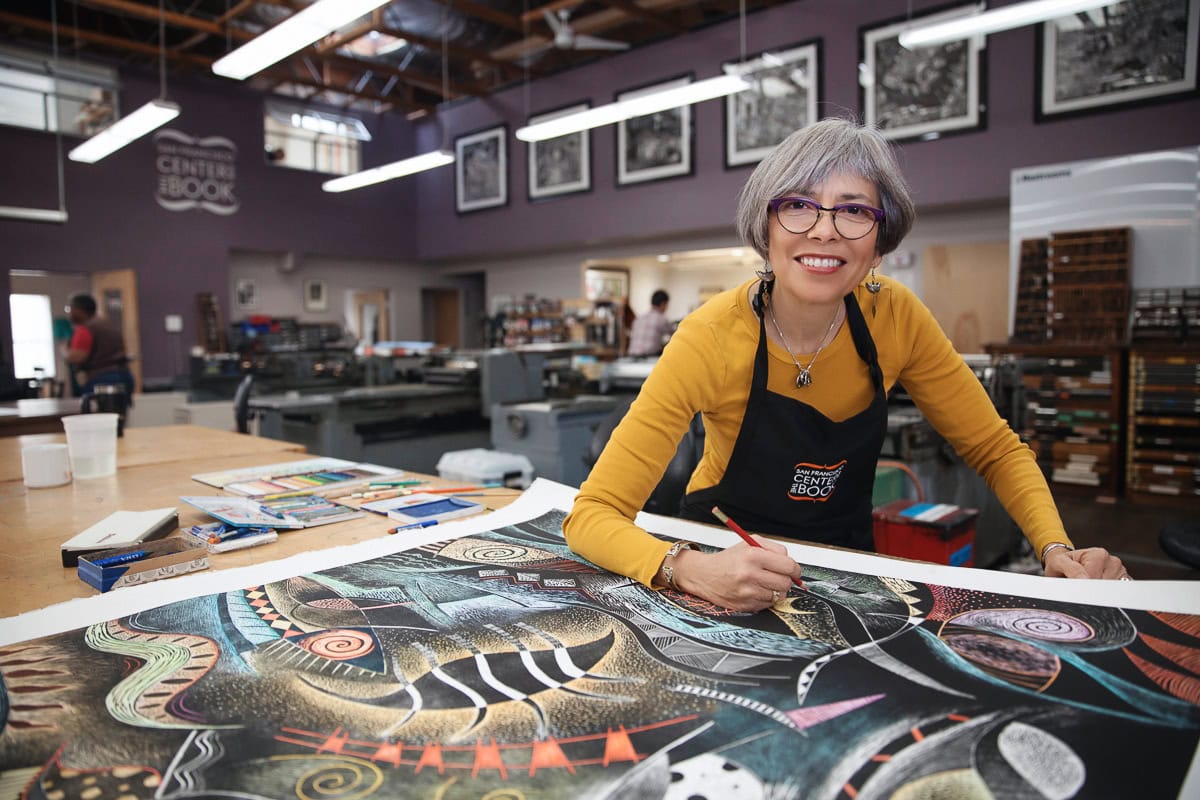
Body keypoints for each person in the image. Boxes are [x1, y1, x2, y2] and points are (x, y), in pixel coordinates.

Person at [564, 118, 1129, 612]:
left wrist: (1055, 547)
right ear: (765, 228)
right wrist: (685, 567)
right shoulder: (709, 337)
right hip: (722, 553)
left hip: (845, 561)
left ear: (879, 244)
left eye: (854, 210)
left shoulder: (896, 317)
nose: (824, 229)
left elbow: (996, 448)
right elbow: (592, 514)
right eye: (797, 205)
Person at [64, 293, 135, 398]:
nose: (69, 313)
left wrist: (65, 352)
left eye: (70, 309)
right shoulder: (108, 325)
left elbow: (77, 357)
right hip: (124, 375)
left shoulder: (85, 329)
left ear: (78, 310)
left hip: (103, 379)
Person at [626, 289, 673, 357]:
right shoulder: (661, 319)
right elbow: (675, 336)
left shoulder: (639, 319)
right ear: (663, 304)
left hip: (631, 356)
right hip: (648, 358)